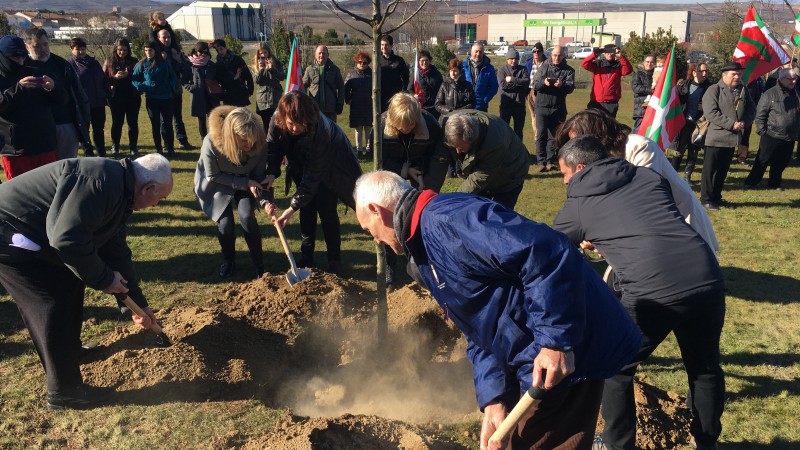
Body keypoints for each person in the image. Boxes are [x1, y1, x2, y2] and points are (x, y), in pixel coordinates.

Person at [353, 170, 642, 450]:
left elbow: (545, 252)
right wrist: (495, 398)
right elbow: (477, 328)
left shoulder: (450, 221)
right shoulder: (424, 250)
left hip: (569, 347)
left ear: (376, 210)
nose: (376, 241)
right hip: (533, 353)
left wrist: (555, 342)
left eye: (369, 230)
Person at [553, 136, 726, 450]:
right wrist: (607, 239)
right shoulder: (648, 176)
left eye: (564, 174)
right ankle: (707, 444)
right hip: (706, 277)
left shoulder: (578, 205)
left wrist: (592, 235)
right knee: (704, 367)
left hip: (653, 291)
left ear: (579, 168)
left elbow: (550, 249)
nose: (564, 181)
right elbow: (647, 223)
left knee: (614, 367)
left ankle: (618, 445)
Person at [0, 153, 174, 410]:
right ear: (148, 188)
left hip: (38, 234)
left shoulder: (121, 190)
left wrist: (135, 303)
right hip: (10, 233)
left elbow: (115, 251)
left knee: (71, 282)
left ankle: (69, 352)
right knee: (50, 301)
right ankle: (65, 392)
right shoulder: (101, 182)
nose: (157, 205)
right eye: (160, 198)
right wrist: (104, 279)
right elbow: (66, 239)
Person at [554, 108, 719, 253]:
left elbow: (641, 198)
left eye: (578, 140)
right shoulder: (596, 162)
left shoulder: (638, 146)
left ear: (597, 135)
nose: (576, 147)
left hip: (677, 222)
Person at [263, 91, 362, 274]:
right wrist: (271, 172)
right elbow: (273, 148)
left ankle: (334, 260)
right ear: (284, 118)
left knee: (327, 211)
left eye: (301, 124)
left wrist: (291, 208)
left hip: (330, 168)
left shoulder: (320, 128)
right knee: (306, 211)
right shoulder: (276, 120)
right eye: (291, 124)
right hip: (300, 165)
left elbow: (314, 173)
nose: (295, 129)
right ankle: (307, 256)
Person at [194, 106, 267, 278]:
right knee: (225, 224)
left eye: (252, 140)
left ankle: (258, 263)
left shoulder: (260, 143)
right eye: (243, 141)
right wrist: (244, 182)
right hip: (217, 183)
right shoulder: (211, 142)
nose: (249, 145)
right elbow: (213, 175)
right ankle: (229, 260)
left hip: (247, 182)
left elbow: (259, 176)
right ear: (231, 136)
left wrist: (264, 198)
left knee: (247, 215)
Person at [380, 92, 443, 290]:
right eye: (401, 126)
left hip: (422, 176)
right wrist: (404, 171)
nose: (406, 130)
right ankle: (390, 266)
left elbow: (437, 156)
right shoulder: (381, 125)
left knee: (420, 220)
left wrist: (428, 182)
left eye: (410, 125)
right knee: (390, 221)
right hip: (392, 177)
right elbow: (379, 160)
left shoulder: (430, 125)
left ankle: (421, 266)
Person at [427, 110, 529, 210]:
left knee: (498, 217)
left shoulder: (495, 142)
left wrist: (453, 201)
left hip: (510, 175)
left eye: (461, 148)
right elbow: (440, 160)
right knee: (475, 214)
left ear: (472, 141)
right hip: (485, 175)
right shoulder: (449, 126)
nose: (457, 151)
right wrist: (428, 195)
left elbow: (479, 177)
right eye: (454, 147)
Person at [0, 34, 64, 179]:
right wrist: (18, 89)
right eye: (15, 58)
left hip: (45, 144)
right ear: (3, 56)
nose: (21, 61)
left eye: (23, 56)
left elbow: (62, 100)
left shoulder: (34, 71)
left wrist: (53, 88)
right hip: (16, 149)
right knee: (21, 193)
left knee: (48, 190)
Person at [23, 27, 92, 159]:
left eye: (45, 44)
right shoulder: (23, 66)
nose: (43, 49)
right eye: (37, 46)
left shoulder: (62, 65)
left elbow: (78, 94)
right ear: (27, 47)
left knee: (67, 166)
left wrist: (84, 119)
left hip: (64, 124)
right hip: (36, 127)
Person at [700, 61, 755, 210]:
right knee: (710, 171)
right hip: (716, 138)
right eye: (734, 74)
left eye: (739, 73)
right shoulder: (714, 90)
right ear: (724, 75)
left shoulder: (743, 90)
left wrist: (745, 122)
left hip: (732, 139)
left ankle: (717, 197)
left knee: (722, 171)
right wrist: (731, 124)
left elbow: (751, 109)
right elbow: (711, 113)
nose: (737, 76)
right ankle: (706, 198)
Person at [744, 68, 800, 191]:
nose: (793, 81)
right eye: (790, 79)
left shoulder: (796, 93)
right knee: (762, 161)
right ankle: (751, 182)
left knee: (781, 162)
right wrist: (762, 131)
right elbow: (760, 114)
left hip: (790, 135)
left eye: (795, 78)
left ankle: (774, 183)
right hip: (771, 134)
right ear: (781, 79)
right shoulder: (770, 94)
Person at [531, 45, 575, 172]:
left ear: (563, 56)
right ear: (551, 55)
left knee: (554, 136)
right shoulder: (543, 67)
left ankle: (550, 160)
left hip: (558, 108)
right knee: (541, 135)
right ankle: (541, 161)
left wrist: (562, 85)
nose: (557, 57)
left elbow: (571, 88)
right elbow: (535, 85)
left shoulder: (569, 70)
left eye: (559, 55)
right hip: (542, 107)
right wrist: (543, 83)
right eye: (555, 55)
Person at [132, 40, 178, 157]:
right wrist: (143, 87)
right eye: (146, 50)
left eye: (150, 50)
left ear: (155, 50)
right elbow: (134, 79)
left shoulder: (164, 63)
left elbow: (173, 76)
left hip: (166, 97)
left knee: (168, 124)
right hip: (152, 98)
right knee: (155, 124)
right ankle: (159, 149)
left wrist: (170, 87)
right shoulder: (141, 64)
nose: (148, 53)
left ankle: (170, 148)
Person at [68, 37, 110, 157]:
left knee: (99, 130)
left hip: (98, 102)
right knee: (84, 131)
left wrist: (107, 93)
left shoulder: (94, 63)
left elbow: (103, 79)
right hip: (82, 104)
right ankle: (89, 155)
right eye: (77, 49)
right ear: (72, 50)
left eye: (83, 49)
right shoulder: (69, 65)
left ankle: (102, 154)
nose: (81, 52)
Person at [671, 62, 712, 182]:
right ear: (694, 72)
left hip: (699, 124)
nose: (704, 74)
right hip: (684, 123)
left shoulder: (710, 88)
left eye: (706, 71)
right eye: (702, 71)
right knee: (679, 150)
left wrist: (705, 108)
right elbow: (675, 100)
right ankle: (672, 175)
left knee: (693, 151)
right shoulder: (684, 85)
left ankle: (687, 177)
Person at [157, 28, 194, 150]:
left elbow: (187, 68)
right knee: (164, 119)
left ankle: (183, 141)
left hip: (176, 90)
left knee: (178, 117)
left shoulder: (176, 52)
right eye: (164, 37)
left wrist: (178, 59)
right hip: (163, 91)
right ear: (158, 38)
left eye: (168, 37)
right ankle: (167, 144)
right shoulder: (155, 53)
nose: (167, 39)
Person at [103, 37, 141, 156]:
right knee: (117, 123)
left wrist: (128, 75)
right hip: (115, 97)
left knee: (132, 123)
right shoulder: (109, 61)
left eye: (125, 50)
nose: (122, 52)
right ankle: (115, 146)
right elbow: (103, 80)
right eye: (120, 50)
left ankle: (133, 147)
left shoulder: (134, 61)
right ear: (115, 49)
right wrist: (114, 78)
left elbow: (140, 77)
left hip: (132, 96)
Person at [582, 43, 633, 117]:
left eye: (612, 52)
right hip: (596, 101)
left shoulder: (618, 66)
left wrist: (620, 56)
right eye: (607, 52)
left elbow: (628, 70)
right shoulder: (598, 65)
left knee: (608, 126)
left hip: (611, 103)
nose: (609, 54)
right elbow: (584, 64)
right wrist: (595, 54)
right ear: (604, 54)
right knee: (593, 125)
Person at [184, 41, 219, 139]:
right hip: (198, 96)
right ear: (195, 51)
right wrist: (191, 88)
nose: (203, 54)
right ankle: (204, 140)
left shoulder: (211, 64)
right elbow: (184, 80)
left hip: (211, 96)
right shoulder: (189, 64)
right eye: (200, 51)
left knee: (213, 119)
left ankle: (215, 139)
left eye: (205, 51)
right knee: (201, 119)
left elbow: (217, 77)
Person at [303, 45, 344, 123]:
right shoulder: (309, 69)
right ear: (315, 54)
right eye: (319, 53)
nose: (321, 55)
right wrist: (305, 101)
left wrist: (340, 103)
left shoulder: (335, 69)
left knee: (330, 132)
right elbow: (303, 86)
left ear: (328, 55)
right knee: (315, 131)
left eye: (324, 53)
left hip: (330, 109)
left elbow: (341, 88)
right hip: (314, 108)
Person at [344, 51, 373, 159]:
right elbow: (345, 89)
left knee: (369, 129)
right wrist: (348, 100)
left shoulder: (372, 74)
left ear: (368, 63)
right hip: (356, 105)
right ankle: (359, 150)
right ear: (357, 62)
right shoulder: (351, 74)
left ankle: (369, 150)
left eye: (365, 62)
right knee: (358, 129)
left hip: (369, 105)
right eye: (360, 62)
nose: (362, 64)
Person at [496, 48, 530, 139]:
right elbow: (503, 86)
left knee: (518, 131)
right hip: (505, 105)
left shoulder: (523, 69)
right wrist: (520, 85)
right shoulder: (501, 70)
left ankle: (518, 152)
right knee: (504, 130)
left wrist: (512, 79)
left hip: (519, 105)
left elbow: (526, 83)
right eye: (511, 58)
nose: (514, 60)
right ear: (507, 59)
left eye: (516, 59)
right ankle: (504, 151)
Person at [252, 42, 284, 132]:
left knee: (277, 124)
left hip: (275, 97)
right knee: (266, 125)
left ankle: (278, 144)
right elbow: (256, 81)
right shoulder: (256, 64)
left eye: (265, 53)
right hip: (263, 99)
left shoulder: (276, 62)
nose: (263, 55)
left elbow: (282, 77)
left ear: (269, 52)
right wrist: (261, 69)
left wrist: (272, 69)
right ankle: (267, 144)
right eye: (260, 53)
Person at [212, 38, 254, 107]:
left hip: (240, 92)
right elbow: (220, 80)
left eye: (221, 49)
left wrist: (250, 91)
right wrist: (234, 78)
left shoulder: (237, 59)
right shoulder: (218, 64)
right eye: (217, 50)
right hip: (227, 94)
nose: (219, 52)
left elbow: (247, 75)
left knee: (241, 115)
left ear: (225, 47)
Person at [736, 76, 765, 166]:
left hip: (747, 115)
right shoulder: (735, 81)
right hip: (734, 113)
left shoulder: (753, 83)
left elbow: (757, 98)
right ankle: (727, 156)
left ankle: (742, 157)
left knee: (745, 135)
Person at [462, 42, 498, 112]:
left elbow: (494, 86)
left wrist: (486, 99)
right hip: (465, 106)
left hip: (481, 107)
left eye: (480, 52)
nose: (478, 54)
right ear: (471, 51)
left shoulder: (489, 68)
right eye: (476, 51)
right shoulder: (463, 66)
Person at [408, 49, 443, 119]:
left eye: (426, 60)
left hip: (434, 108)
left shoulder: (436, 73)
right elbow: (409, 89)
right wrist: (414, 95)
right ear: (418, 62)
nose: (424, 63)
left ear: (429, 61)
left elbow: (442, 89)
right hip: (421, 107)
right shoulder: (415, 75)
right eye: (422, 61)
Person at [378, 35, 409, 112]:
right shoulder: (377, 60)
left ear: (391, 46)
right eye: (382, 45)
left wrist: (403, 91)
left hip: (395, 96)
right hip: (381, 97)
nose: (384, 47)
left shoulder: (399, 60)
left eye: (386, 45)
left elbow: (406, 78)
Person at [524, 42, 547, 147]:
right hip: (530, 91)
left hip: (542, 92)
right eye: (534, 51)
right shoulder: (529, 63)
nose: (536, 53)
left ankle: (541, 137)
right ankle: (536, 136)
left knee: (540, 116)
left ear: (542, 52)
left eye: (538, 51)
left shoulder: (546, 63)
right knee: (533, 115)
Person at [631, 54, 656, 133]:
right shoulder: (638, 74)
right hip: (641, 108)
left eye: (652, 62)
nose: (649, 64)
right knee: (638, 130)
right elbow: (636, 88)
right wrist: (651, 90)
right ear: (644, 63)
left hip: (654, 107)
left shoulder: (657, 74)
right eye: (647, 62)